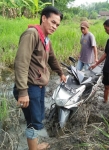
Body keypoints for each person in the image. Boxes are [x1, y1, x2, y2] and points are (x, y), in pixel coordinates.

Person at [13, 6, 66, 150]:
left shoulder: (46, 39)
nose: (55, 26)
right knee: (33, 120)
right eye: (53, 22)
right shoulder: (32, 34)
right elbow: (21, 62)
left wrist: (60, 73)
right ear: (44, 18)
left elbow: (52, 58)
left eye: (57, 24)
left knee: (36, 118)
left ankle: (34, 146)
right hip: (29, 88)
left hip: (38, 86)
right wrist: (22, 92)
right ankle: (34, 149)